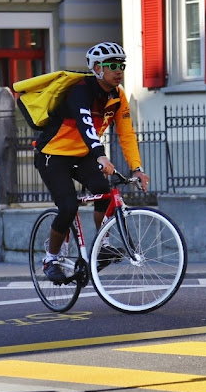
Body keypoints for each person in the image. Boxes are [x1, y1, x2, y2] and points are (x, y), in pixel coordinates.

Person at [33, 41, 150, 283]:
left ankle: (103, 244)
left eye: (122, 65)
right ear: (97, 68)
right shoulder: (80, 90)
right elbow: (86, 125)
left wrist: (137, 168)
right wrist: (100, 154)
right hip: (53, 154)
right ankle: (51, 257)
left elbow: (126, 134)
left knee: (103, 191)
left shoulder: (117, 96)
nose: (119, 70)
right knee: (67, 206)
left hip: (83, 154)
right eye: (112, 65)